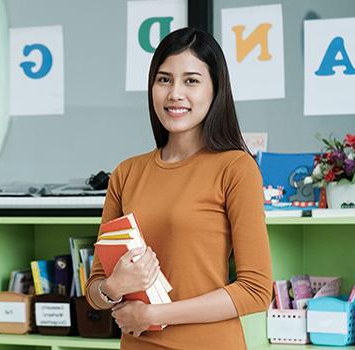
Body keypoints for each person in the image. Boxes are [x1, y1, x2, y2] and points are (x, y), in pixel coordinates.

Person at [85, 27, 273, 349]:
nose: (175, 93)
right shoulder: (127, 173)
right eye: (164, 80)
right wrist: (114, 288)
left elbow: (256, 291)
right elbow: (95, 290)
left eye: (191, 81)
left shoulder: (235, 168)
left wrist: (156, 314)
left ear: (215, 89)